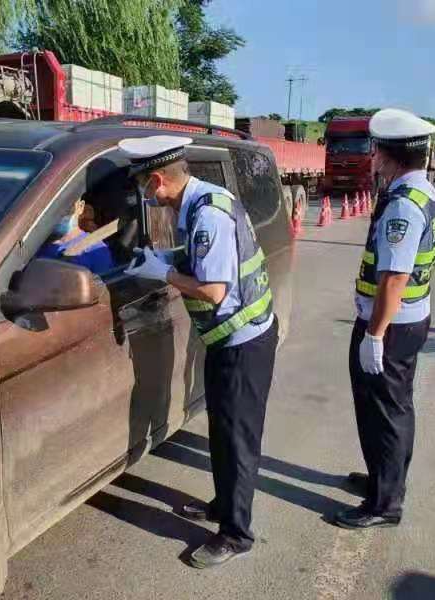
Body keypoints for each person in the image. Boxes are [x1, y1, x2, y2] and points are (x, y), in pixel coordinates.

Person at [119, 135, 278, 569]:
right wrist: (168, 257)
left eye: (143, 187)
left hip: (243, 342)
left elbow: (212, 291)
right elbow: (203, 259)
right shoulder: (199, 201)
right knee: (223, 433)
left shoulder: (207, 214)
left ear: (157, 181)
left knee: (237, 440)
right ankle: (224, 505)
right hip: (229, 340)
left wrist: (164, 272)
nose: (144, 196)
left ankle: (236, 534)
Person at [334, 108, 435, 529]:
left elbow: (395, 278)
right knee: (394, 407)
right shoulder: (425, 192)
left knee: (383, 411)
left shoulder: (403, 206)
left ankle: (384, 504)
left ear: (386, 155)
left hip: (391, 325)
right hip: (410, 320)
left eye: (376, 150)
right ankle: (387, 480)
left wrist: (374, 335)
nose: (373, 158)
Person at [37, 199, 115, 274]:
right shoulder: (34, 241)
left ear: (81, 207)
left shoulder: (95, 249)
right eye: (55, 203)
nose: (62, 210)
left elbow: (104, 281)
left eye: (69, 203)